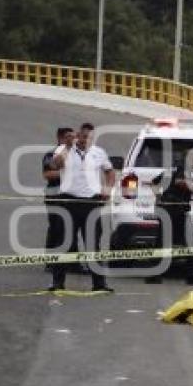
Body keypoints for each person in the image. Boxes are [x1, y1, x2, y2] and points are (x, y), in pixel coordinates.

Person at [49, 122, 116, 292]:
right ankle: (58, 282)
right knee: (63, 243)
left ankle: (99, 284)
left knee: (93, 244)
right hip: (68, 201)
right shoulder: (63, 149)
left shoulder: (98, 152)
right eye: (83, 136)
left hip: (91, 203)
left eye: (89, 137)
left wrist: (108, 188)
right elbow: (55, 165)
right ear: (77, 135)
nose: (86, 139)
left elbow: (109, 171)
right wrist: (68, 147)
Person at [146, 162, 193, 285]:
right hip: (176, 210)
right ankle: (191, 275)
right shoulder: (183, 168)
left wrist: (158, 196)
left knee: (162, 242)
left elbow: (154, 182)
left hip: (167, 209)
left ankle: (154, 274)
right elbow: (179, 182)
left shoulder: (172, 169)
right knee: (189, 243)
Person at [42, 127, 74, 270]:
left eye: (73, 137)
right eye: (68, 137)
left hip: (72, 196)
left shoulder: (76, 154)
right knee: (56, 227)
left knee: (72, 227)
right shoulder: (51, 154)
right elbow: (48, 174)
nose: (72, 140)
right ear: (60, 138)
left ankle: (73, 262)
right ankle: (51, 261)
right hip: (55, 195)